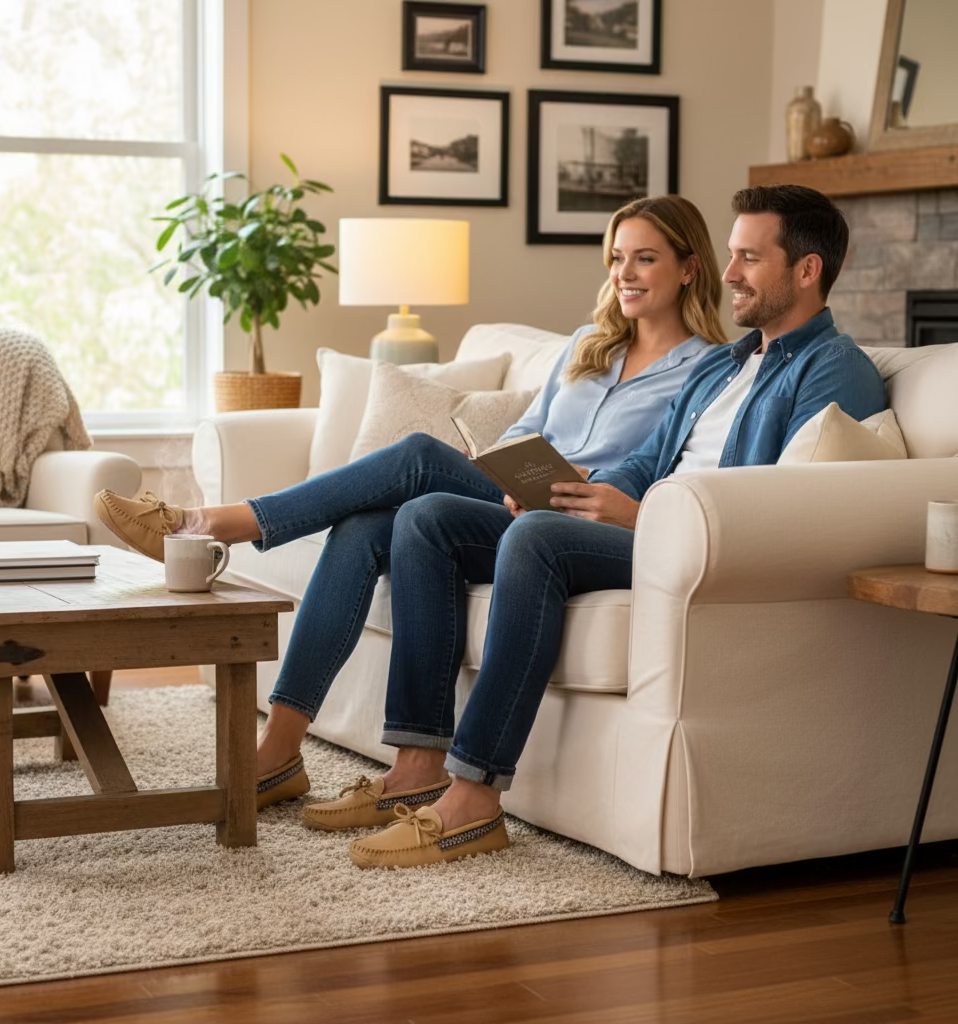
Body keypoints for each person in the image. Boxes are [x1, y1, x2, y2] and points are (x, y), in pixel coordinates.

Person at [93, 193, 728, 816]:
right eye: (617, 258)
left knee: (420, 454)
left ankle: (210, 524)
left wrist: (592, 479)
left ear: (688, 266)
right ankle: (282, 746)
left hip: (577, 523)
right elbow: (521, 430)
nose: (624, 274)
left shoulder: (707, 370)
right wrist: (509, 469)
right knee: (368, 524)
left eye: (644, 259)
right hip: (512, 498)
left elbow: (669, 469)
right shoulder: (590, 344)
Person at [342, 183, 888, 870]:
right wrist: (577, 493)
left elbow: (779, 503)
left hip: (695, 548)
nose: (729, 274)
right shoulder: (725, 363)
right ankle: (417, 759)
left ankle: (474, 796)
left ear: (807, 270)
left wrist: (643, 513)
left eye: (749, 258)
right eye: (730, 254)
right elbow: (643, 459)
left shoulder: (834, 369)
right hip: (642, 526)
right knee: (428, 519)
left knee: (535, 540)